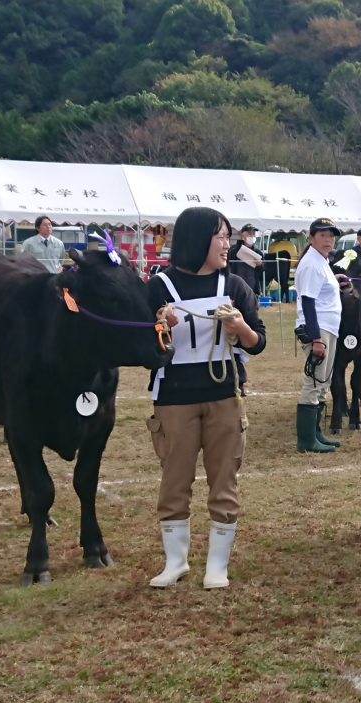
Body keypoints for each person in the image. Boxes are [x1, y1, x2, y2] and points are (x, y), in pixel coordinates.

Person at [146, 207, 267, 590]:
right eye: (221, 237)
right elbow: (141, 345)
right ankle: (175, 562)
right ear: (198, 239)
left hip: (224, 396)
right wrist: (161, 326)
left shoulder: (233, 285)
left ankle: (217, 566)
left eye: (228, 237)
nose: (228, 245)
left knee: (224, 480)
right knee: (174, 480)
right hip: (174, 398)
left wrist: (241, 327)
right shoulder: (159, 286)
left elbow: (259, 341)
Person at [295, 218, 345, 453]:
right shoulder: (312, 263)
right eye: (323, 235)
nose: (328, 240)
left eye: (331, 236)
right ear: (312, 237)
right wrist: (316, 338)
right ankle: (306, 440)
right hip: (319, 328)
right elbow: (307, 301)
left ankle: (316, 434)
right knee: (314, 381)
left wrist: (334, 281)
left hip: (328, 327)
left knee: (322, 383)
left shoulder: (321, 261)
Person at [226, 224, 262, 292]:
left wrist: (260, 265)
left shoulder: (258, 252)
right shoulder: (233, 251)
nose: (252, 236)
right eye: (249, 233)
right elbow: (227, 267)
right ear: (242, 235)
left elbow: (262, 272)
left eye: (253, 234)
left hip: (252, 288)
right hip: (236, 287)